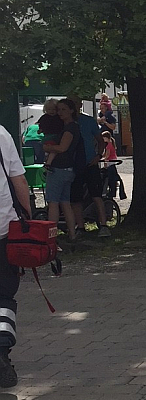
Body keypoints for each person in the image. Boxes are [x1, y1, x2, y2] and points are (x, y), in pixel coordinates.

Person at [0, 124, 31, 388]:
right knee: (4, 295)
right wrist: (29, 217)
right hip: (2, 229)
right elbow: (18, 180)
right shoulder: (0, 134)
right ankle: (1, 352)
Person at [68, 95, 109, 238]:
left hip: (90, 163)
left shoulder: (88, 120)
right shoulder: (65, 122)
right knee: (75, 198)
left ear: (80, 105)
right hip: (74, 164)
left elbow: (100, 140)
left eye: (75, 103)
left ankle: (103, 225)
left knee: (96, 195)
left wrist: (98, 155)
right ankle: (80, 226)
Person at [43, 99, 80, 241]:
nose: (60, 113)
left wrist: (48, 148)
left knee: (53, 203)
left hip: (59, 169)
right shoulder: (72, 127)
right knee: (65, 203)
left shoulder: (69, 129)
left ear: (71, 110)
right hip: (68, 169)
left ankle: (51, 236)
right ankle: (72, 234)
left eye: (64, 109)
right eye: (59, 110)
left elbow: (62, 148)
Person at [36, 98, 64, 168]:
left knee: (52, 150)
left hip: (55, 135)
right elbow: (41, 125)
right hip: (49, 136)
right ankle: (48, 162)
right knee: (52, 149)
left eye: (53, 109)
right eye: (49, 109)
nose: (51, 111)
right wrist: (40, 130)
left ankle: (48, 161)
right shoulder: (45, 117)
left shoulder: (58, 117)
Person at [101, 131, 124, 200]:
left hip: (110, 162)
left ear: (107, 138)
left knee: (106, 176)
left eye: (104, 138)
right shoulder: (112, 144)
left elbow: (107, 155)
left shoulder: (108, 145)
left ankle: (105, 191)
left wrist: (103, 158)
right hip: (112, 161)